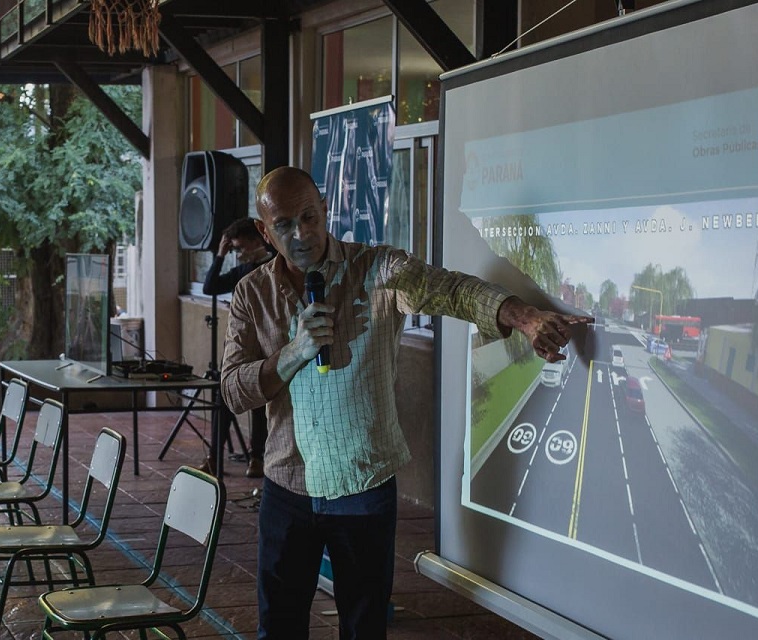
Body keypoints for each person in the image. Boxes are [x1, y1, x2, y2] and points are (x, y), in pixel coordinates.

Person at [220, 166, 592, 639]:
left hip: (363, 484)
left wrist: (524, 317)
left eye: (309, 217)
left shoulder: (377, 270)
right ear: (263, 231)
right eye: (285, 225)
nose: (302, 234)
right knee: (279, 627)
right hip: (287, 487)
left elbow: (452, 290)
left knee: (365, 626)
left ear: (325, 210)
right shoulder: (251, 293)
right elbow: (233, 390)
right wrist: (293, 353)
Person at [203, 217, 275, 478]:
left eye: (242, 247)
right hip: (241, 344)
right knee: (225, 395)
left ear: (258, 241)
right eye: (235, 249)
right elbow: (210, 287)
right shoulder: (241, 270)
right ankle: (214, 456)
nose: (239, 254)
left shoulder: (276, 265)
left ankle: (257, 457)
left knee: (259, 400)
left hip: (266, 344)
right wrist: (220, 255)